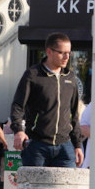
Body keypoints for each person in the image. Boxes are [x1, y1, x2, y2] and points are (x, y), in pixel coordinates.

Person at [10, 32, 84, 167]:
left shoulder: (70, 77)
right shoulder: (33, 75)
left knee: (66, 188)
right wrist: (19, 131)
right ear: (49, 51)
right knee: (33, 188)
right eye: (62, 53)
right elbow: (18, 105)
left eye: (69, 53)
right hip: (37, 145)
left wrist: (77, 144)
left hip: (65, 146)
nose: (66, 57)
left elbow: (74, 114)